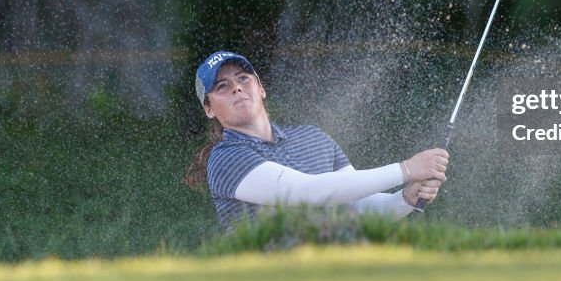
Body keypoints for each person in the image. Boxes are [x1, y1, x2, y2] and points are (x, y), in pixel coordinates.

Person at [185, 50, 448, 230]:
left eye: (243, 78)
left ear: (261, 89)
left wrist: (404, 199)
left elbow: (356, 206)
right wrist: (406, 170)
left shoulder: (313, 137)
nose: (237, 87)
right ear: (209, 110)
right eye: (222, 86)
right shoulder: (225, 158)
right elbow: (307, 193)